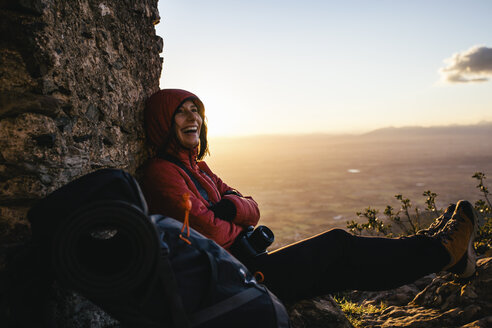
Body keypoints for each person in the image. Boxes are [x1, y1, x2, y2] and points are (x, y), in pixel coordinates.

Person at [142, 89, 478, 302]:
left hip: (241, 269)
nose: (193, 118)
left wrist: (229, 208)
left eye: (196, 110)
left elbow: (251, 207)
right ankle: (442, 250)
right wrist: (230, 216)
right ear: (163, 122)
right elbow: (210, 231)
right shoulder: (162, 172)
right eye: (182, 111)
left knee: (349, 267)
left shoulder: (199, 169)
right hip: (230, 281)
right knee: (337, 245)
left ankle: (446, 254)